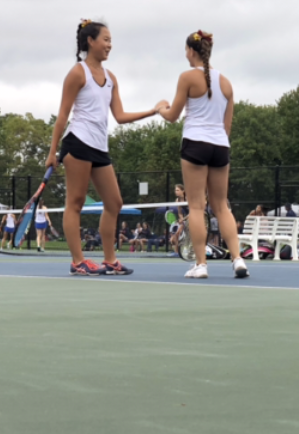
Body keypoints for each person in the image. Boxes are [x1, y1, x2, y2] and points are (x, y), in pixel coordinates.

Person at [44, 19, 167, 276]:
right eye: (106, 40)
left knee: (114, 202)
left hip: (99, 147)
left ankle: (110, 260)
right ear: (91, 41)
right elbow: (62, 115)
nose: (110, 45)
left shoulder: (111, 78)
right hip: (77, 142)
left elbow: (119, 116)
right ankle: (78, 261)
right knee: (75, 203)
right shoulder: (77, 73)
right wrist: (51, 152)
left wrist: (153, 111)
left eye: (111, 41)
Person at [157, 30, 248, 279]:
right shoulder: (227, 83)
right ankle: (238, 260)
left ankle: (201, 264)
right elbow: (226, 128)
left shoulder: (187, 77)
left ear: (191, 51)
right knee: (221, 206)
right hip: (220, 147)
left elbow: (173, 115)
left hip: (195, 144)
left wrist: (160, 108)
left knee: (196, 207)